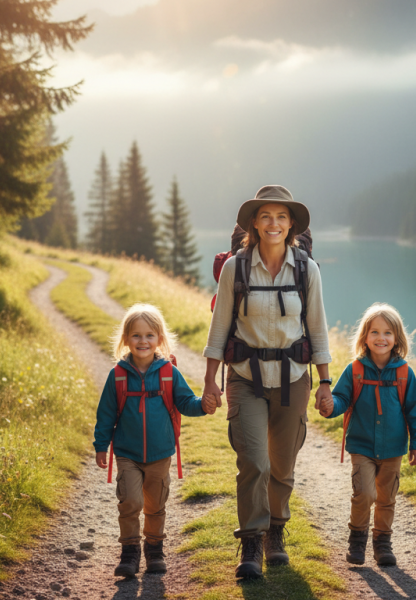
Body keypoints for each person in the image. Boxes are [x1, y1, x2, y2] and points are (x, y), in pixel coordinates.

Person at [202, 185, 333, 579]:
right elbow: (219, 327)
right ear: (254, 224)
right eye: (266, 216)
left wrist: (325, 383)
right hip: (245, 378)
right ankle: (252, 542)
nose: (273, 224)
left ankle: (277, 531)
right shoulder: (235, 269)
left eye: (281, 217)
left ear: (291, 224)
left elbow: (319, 329)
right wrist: (210, 382)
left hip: (294, 378)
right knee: (253, 462)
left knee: (282, 465)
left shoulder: (307, 270)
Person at [94, 303, 217, 577]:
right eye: (136, 335)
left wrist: (203, 405)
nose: (143, 341)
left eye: (149, 335)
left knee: (155, 504)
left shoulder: (168, 373)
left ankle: (154, 549)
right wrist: (101, 446)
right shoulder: (117, 376)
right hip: (127, 453)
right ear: (126, 339)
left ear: (159, 338)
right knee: (130, 502)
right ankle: (129, 552)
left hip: (161, 453)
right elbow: (105, 415)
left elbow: (185, 402)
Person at [317, 302, 416, 567]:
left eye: (388, 332)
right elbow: (342, 399)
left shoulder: (404, 373)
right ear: (365, 337)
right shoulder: (354, 370)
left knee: (387, 498)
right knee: (364, 494)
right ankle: (357, 541)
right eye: (375, 332)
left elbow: (415, 411)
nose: (381, 338)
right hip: (362, 445)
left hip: (393, 448)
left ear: (397, 338)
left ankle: (382, 543)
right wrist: (330, 406)